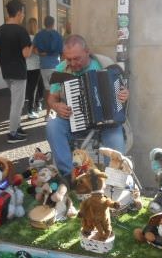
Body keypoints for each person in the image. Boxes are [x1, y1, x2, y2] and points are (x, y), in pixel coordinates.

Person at [45, 35, 129, 180]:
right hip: (72, 120)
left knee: (116, 138)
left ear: (87, 52)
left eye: (77, 58)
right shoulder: (61, 69)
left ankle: (114, 182)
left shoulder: (104, 64)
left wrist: (124, 95)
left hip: (106, 123)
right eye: (68, 59)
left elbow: (121, 90)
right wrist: (56, 106)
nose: (72, 63)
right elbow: (51, 99)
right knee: (52, 125)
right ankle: (70, 176)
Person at [0, 0, 32, 143]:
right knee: (17, 104)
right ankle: (12, 134)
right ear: (19, 12)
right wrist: (33, 45)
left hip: (6, 73)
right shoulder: (21, 31)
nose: (24, 16)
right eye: (23, 13)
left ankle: (17, 127)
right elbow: (26, 54)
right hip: (19, 73)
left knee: (15, 101)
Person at [33, 16, 64, 106]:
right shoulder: (58, 35)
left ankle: (49, 111)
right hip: (55, 65)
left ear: (44, 23)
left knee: (47, 89)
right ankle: (50, 113)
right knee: (55, 89)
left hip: (43, 66)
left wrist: (40, 54)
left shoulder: (39, 35)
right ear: (53, 24)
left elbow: (34, 49)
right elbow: (62, 53)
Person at [25, 17, 44, 119]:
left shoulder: (25, 37)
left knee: (31, 88)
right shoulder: (36, 38)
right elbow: (36, 52)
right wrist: (44, 53)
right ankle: (31, 110)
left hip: (26, 66)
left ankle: (36, 104)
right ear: (35, 26)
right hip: (36, 66)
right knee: (34, 88)